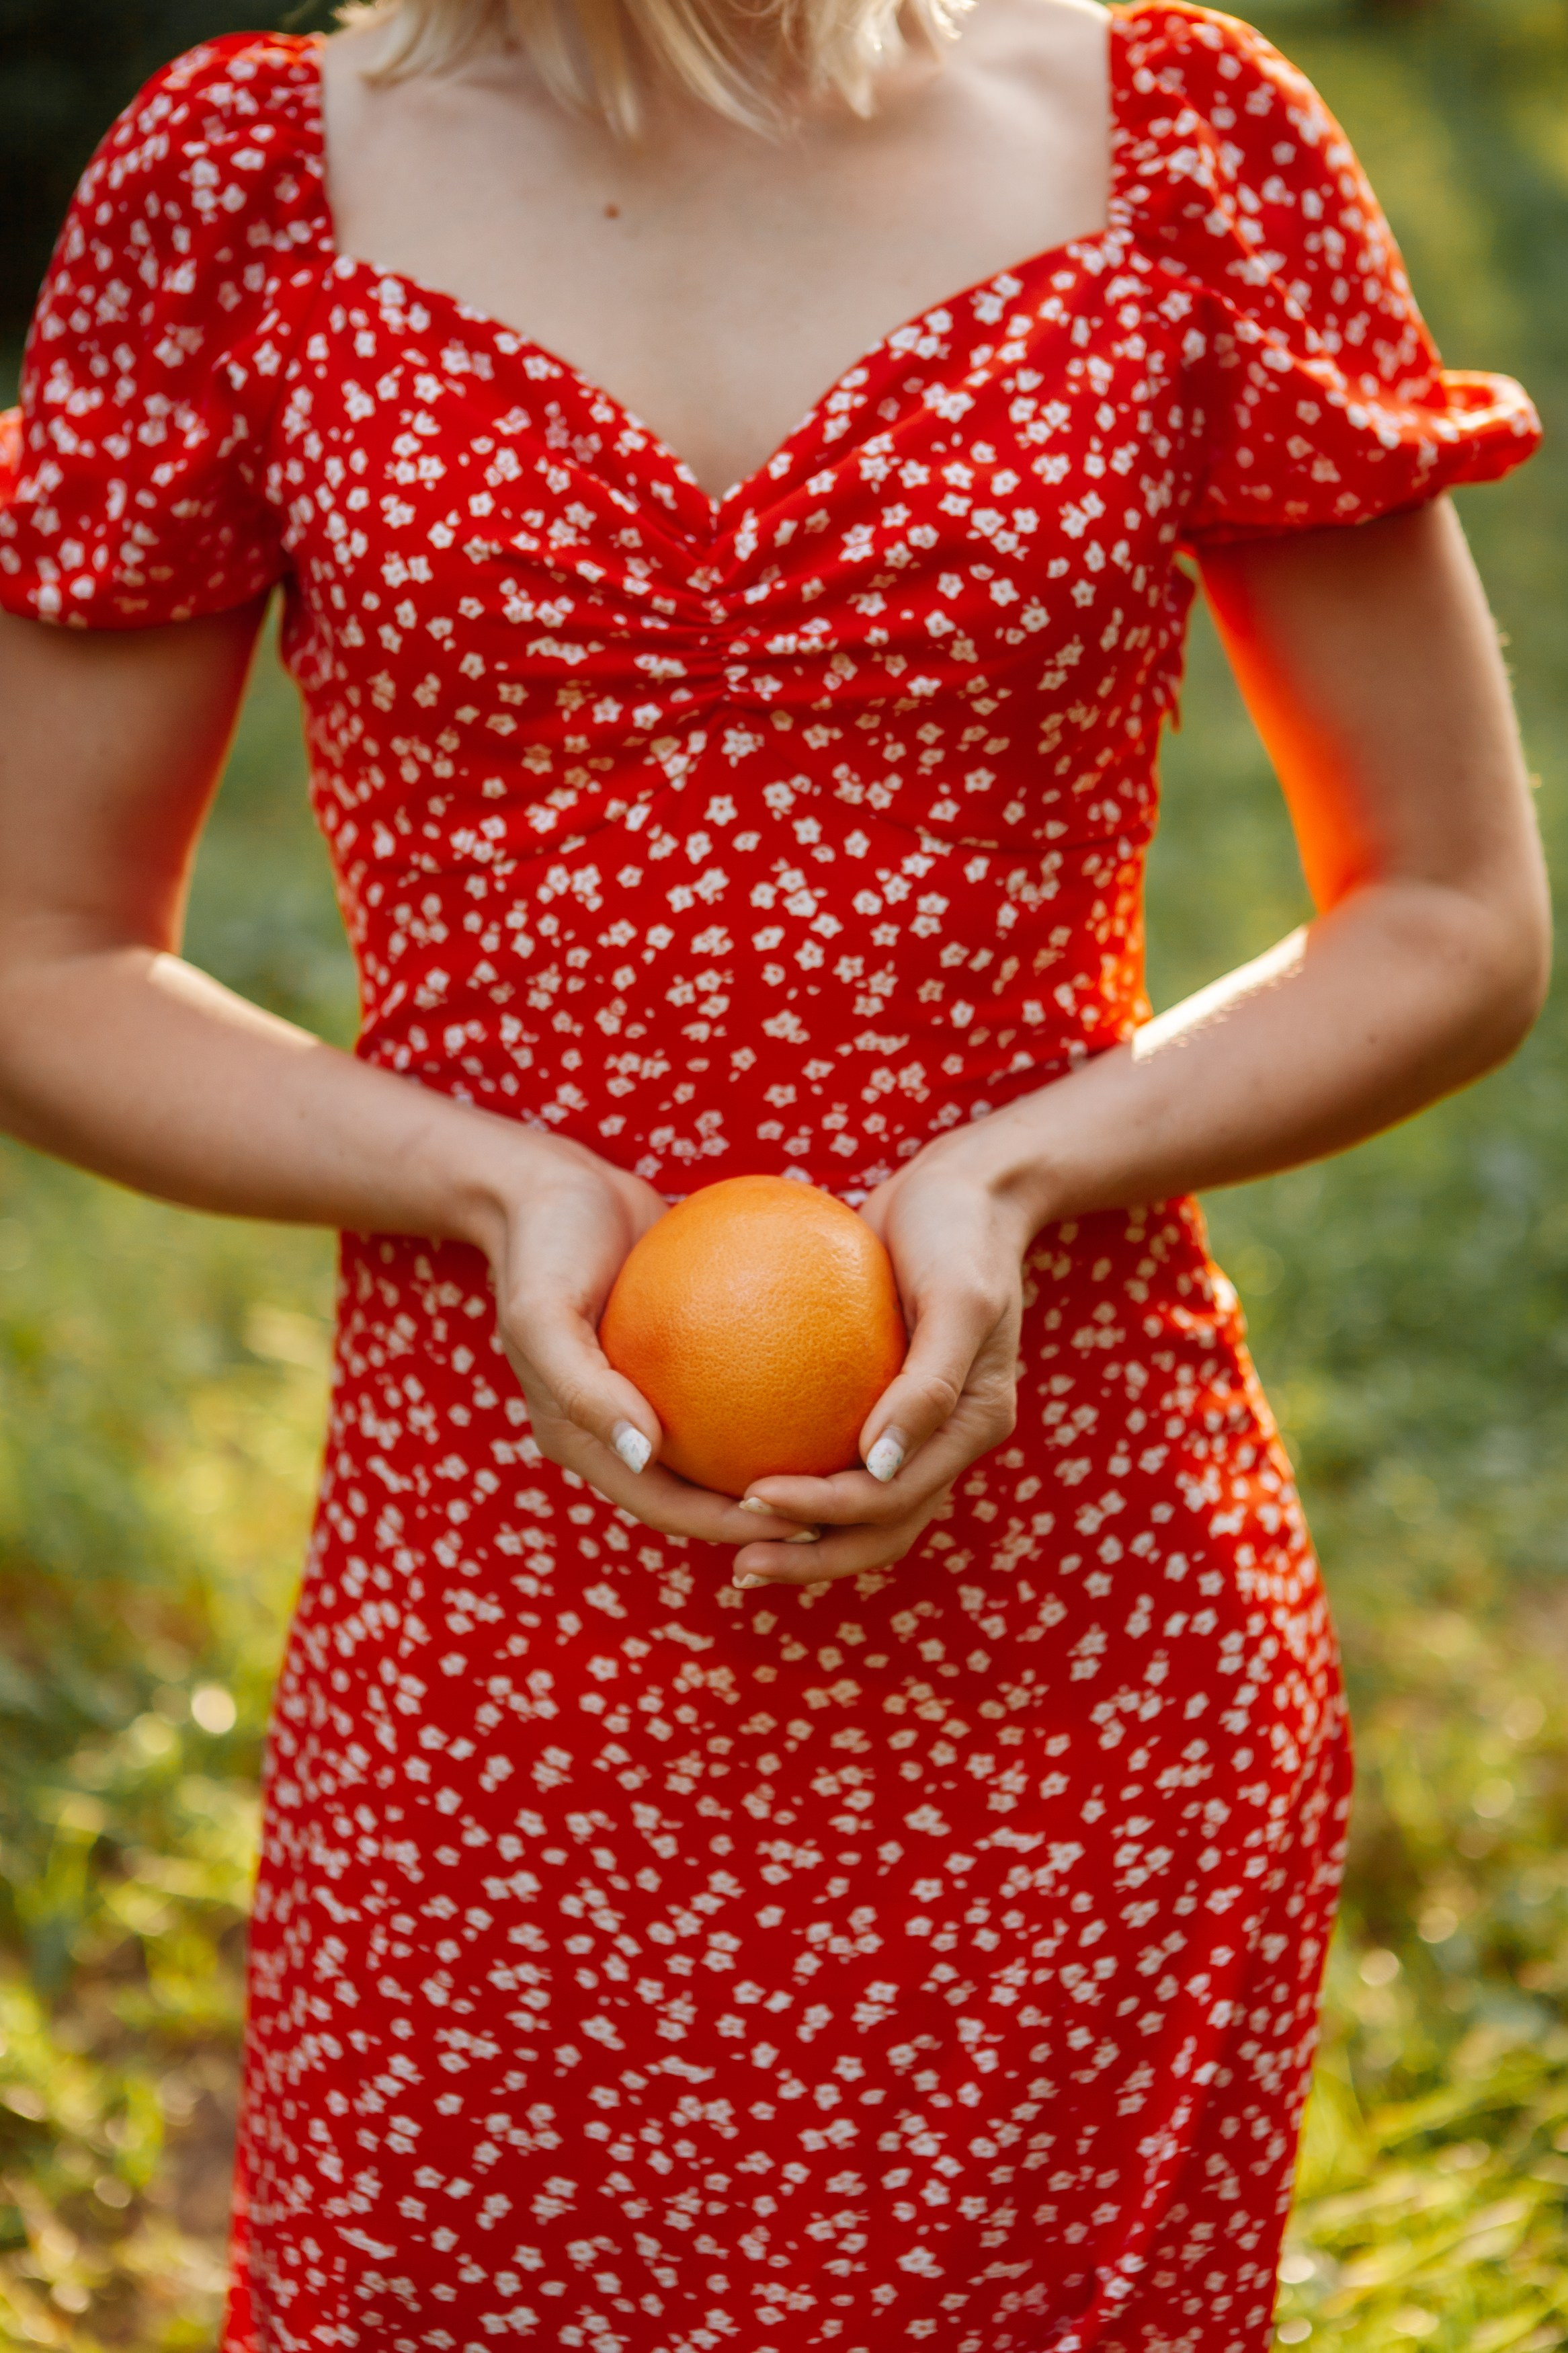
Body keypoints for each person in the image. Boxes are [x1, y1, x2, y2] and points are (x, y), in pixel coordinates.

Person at [0, 0, 1549, 2339]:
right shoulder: (249, 182)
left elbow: (1448, 908)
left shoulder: (1169, 139)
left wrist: (1017, 1176)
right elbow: (38, 951)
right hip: (494, 1654)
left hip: (1077, 1630)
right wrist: (488, 1182)